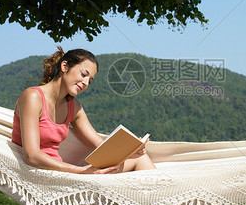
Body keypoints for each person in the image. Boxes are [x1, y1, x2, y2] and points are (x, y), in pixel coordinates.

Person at [12, 47, 155, 174]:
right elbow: (32, 156)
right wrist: (80, 171)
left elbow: (101, 145)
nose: (86, 83)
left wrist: (130, 150)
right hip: (38, 172)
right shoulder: (32, 97)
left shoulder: (73, 107)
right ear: (64, 66)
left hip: (62, 171)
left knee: (140, 157)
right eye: (83, 74)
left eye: (90, 81)